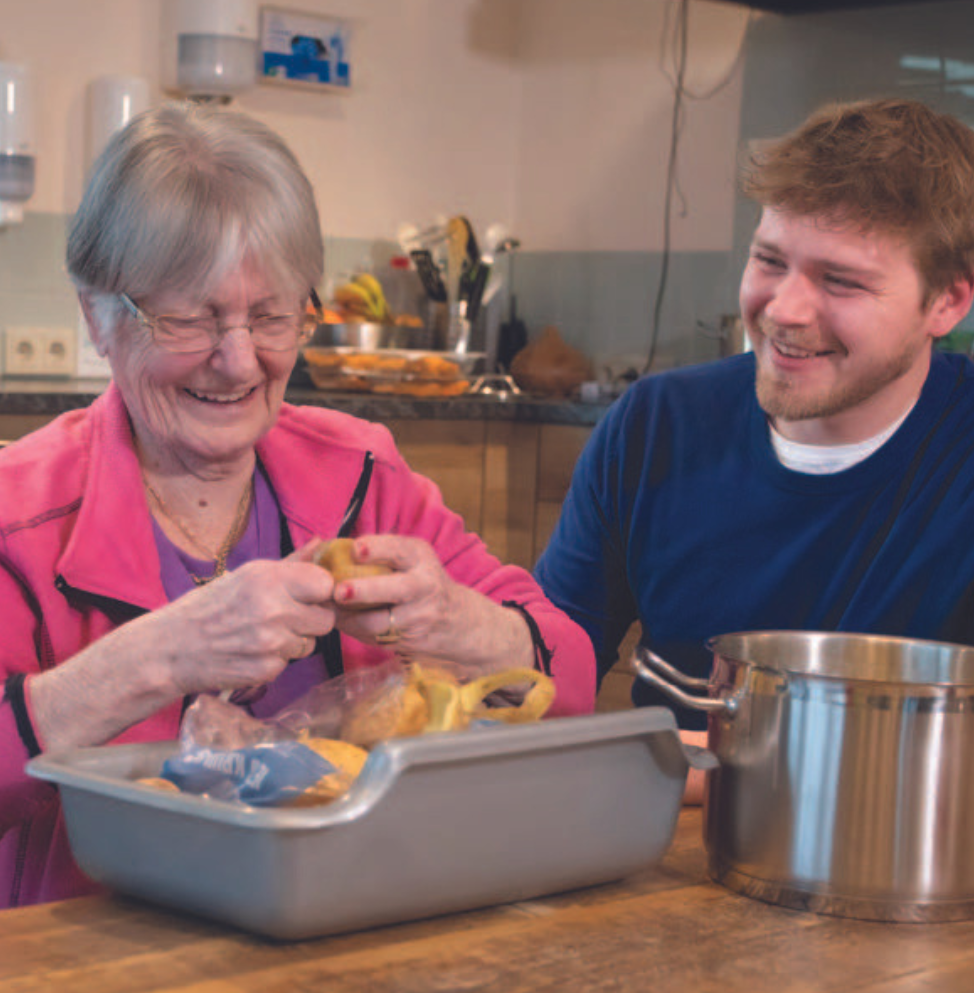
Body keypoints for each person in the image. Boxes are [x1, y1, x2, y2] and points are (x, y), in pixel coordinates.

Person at [0, 103, 596, 908]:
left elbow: (573, 676)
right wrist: (161, 656)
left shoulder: (364, 475)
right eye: (191, 318)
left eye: (273, 314)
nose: (239, 360)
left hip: (358, 927)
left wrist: (451, 621)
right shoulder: (20, 518)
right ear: (97, 317)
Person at [535, 98, 974, 797]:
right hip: (663, 861)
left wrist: (686, 764)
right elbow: (543, 676)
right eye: (769, 260)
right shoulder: (657, 423)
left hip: (902, 872)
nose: (784, 310)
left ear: (949, 302)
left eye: (840, 280)